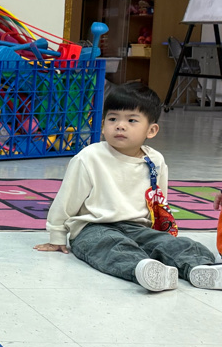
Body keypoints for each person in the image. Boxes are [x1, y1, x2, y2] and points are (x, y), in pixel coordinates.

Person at [34, 82, 222, 292]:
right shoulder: (89, 157)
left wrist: (158, 234)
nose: (120, 126)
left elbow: (159, 200)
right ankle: (145, 270)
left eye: (132, 120)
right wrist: (57, 236)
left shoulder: (155, 160)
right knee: (111, 247)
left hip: (138, 228)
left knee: (179, 245)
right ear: (102, 125)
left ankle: (201, 268)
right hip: (93, 228)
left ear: (151, 130)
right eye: (113, 119)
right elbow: (66, 200)